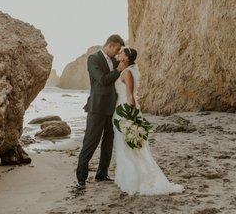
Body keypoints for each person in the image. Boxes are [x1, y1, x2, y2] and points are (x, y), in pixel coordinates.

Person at [113, 47, 184, 195]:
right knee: (123, 145)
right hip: (120, 109)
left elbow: (131, 96)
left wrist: (131, 117)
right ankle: (126, 177)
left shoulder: (127, 73)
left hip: (125, 111)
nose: (119, 54)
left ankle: (134, 180)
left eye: (122, 53)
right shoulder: (125, 71)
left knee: (127, 146)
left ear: (126, 58)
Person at [76, 34, 126, 189]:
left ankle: (102, 173)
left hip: (112, 107)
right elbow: (102, 80)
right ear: (110, 45)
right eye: (117, 49)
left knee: (108, 142)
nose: (118, 53)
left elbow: (127, 62)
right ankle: (81, 178)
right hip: (97, 108)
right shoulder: (93, 59)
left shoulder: (114, 60)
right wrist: (118, 70)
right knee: (91, 142)